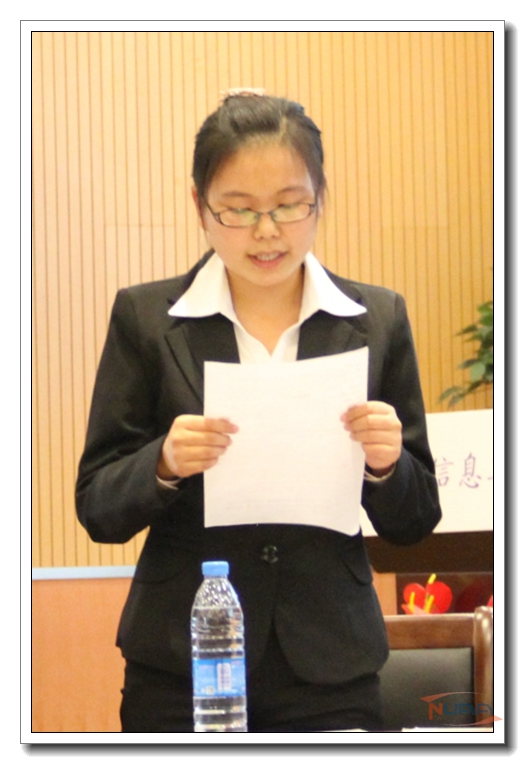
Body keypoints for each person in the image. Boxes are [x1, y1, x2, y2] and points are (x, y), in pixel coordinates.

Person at [76, 91, 442, 732]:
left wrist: (387, 466)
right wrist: (162, 464)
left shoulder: (376, 319)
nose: (267, 231)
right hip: (181, 662)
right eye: (239, 210)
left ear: (320, 197)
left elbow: (415, 520)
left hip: (330, 664)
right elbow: (98, 506)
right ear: (200, 205)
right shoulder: (147, 318)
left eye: (290, 205)